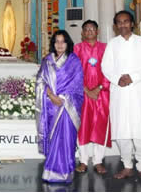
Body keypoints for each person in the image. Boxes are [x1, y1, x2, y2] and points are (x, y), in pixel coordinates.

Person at [101, 10, 141, 184]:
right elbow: (105, 67)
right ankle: (127, 166)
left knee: (140, 132)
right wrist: (118, 79)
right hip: (119, 92)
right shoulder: (112, 44)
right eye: (119, 22)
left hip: (138, 92)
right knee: (122, 133)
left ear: (132, 24)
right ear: (115, 25)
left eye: (126, 21)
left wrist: (132, 77)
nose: (123, 25)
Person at [36, 29, 84, 183]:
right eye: (57, 41)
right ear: (53, 44)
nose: (60, 44)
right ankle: (51, 172)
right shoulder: (47, 60)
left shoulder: (74, 61)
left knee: (65, 140)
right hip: (50, 106)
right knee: (53, 139)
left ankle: (65, 171)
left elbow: (77, 86)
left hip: (67, 107)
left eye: (63, 41)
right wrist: (50, 95)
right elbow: (40, 81)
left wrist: (62, 99)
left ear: (68, 43)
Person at [73, 20, 111, 174]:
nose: (89, 31)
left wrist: (100, 87)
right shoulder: (77, 48)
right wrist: (85, 90)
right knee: (83, 126)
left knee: (100, 125)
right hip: (83, 94)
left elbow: (110, 71)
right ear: (82, 33)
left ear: (97, 31)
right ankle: (83, 160)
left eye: (92, 29)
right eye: (86, 29)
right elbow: (73, 71)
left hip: (102, 93)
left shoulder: (105, 48)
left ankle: (98, 161)